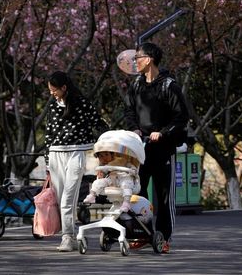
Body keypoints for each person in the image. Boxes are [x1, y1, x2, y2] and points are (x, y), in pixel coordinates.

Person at [123, 42, 189, 253]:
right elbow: (129, 110)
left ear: (149, 59)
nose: (135, 62)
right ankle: (144, 233)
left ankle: (163, 237)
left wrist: (163, 132)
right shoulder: (135, 85)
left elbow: (181, 117)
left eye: (138, 58)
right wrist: (134, 129)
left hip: (163, 149)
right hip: (140, 149)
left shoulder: (169, 85)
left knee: (164, 197)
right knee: (138, 193)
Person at [45, 71, 109, 252]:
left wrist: (108, 143)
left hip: (77, 153)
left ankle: (67, 237)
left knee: (67, 199)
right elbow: (48, 134)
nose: (52, 93)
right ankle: (71, 236)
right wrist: (47, 161)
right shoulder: (52, 106)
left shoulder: (82, 104)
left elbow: (99, 123)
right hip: (56, 154)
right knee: (60, 200)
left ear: (64, 87)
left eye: (54, 90)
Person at [83, 138, 141, 213]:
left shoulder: (122, 160)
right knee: (98, 182)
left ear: (112, 154)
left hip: (123, 178)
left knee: (126, 182)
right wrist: (101, 174)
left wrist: (132, 170)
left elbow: (131, 167)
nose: (104, 158)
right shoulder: (106, 166)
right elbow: (103, 173)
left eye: (106, 155)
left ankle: (126, 202)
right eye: (101, 156)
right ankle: (92, 195)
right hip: (111, 180)